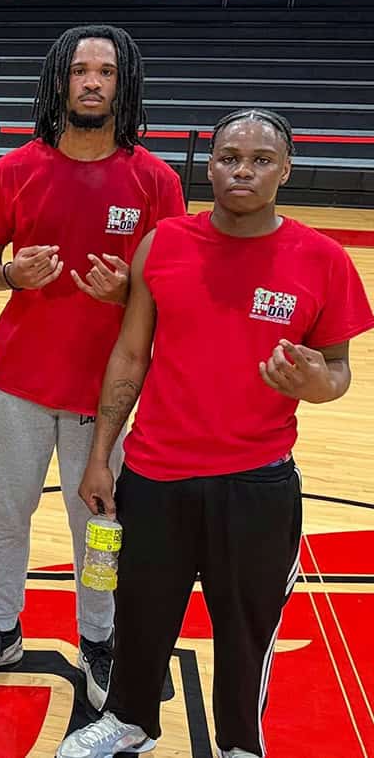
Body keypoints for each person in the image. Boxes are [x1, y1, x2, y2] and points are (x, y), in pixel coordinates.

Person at [56, 109, 374, 758]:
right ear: (209, 164)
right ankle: (131, 722)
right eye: (230, 157)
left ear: (286, 169)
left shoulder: (324, 260)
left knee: (245, 629)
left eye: (260, 159)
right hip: (154, 474)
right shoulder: (163, 243)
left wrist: (318, 381)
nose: (243, 170)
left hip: (255, 483)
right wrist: (98, 458)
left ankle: (239, 745)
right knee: (140, 615)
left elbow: (337, 371)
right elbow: (129, 355)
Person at [0, 25, 186, 710]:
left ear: (123, 83)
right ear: (59, 82)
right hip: (18, 382)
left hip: (104, 390)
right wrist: (11, 275)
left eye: (104, 71)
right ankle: (2, 628)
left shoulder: (155, 179)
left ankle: (98, 638)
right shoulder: (15, 169)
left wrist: (131, 292)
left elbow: (174, 284)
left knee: (98, 526)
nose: (90, 82)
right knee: (6, 514)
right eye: (78, 70)